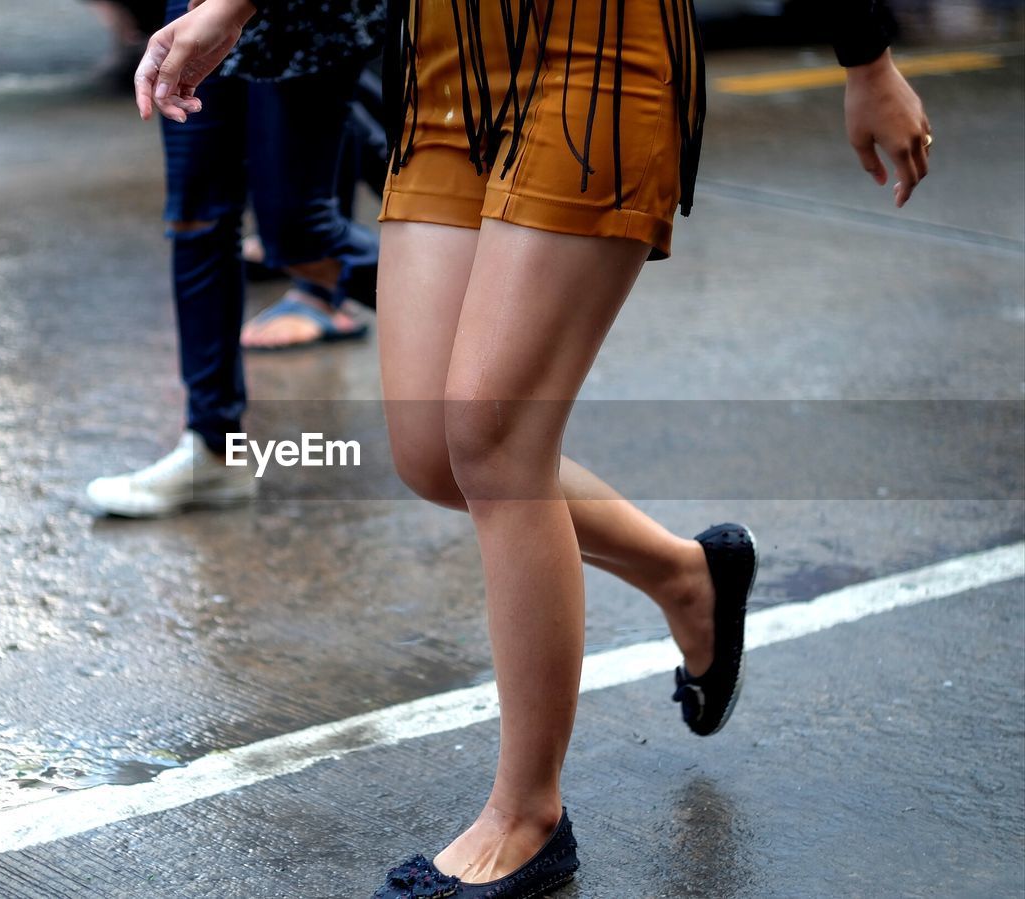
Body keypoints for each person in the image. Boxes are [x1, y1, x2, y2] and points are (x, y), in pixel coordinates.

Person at [134, 0, 931, 894]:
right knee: (433, 454)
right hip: (445, 60)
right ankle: (688, 577)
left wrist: (866, 57)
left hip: (599, 51)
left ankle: (528, 814)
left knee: (493, 436)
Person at [85, 0, 385, 517]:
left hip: (299, 15)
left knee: (299, 233)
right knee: (196, 218)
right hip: (196, 4)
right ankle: (212, 447)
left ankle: (491, 323)